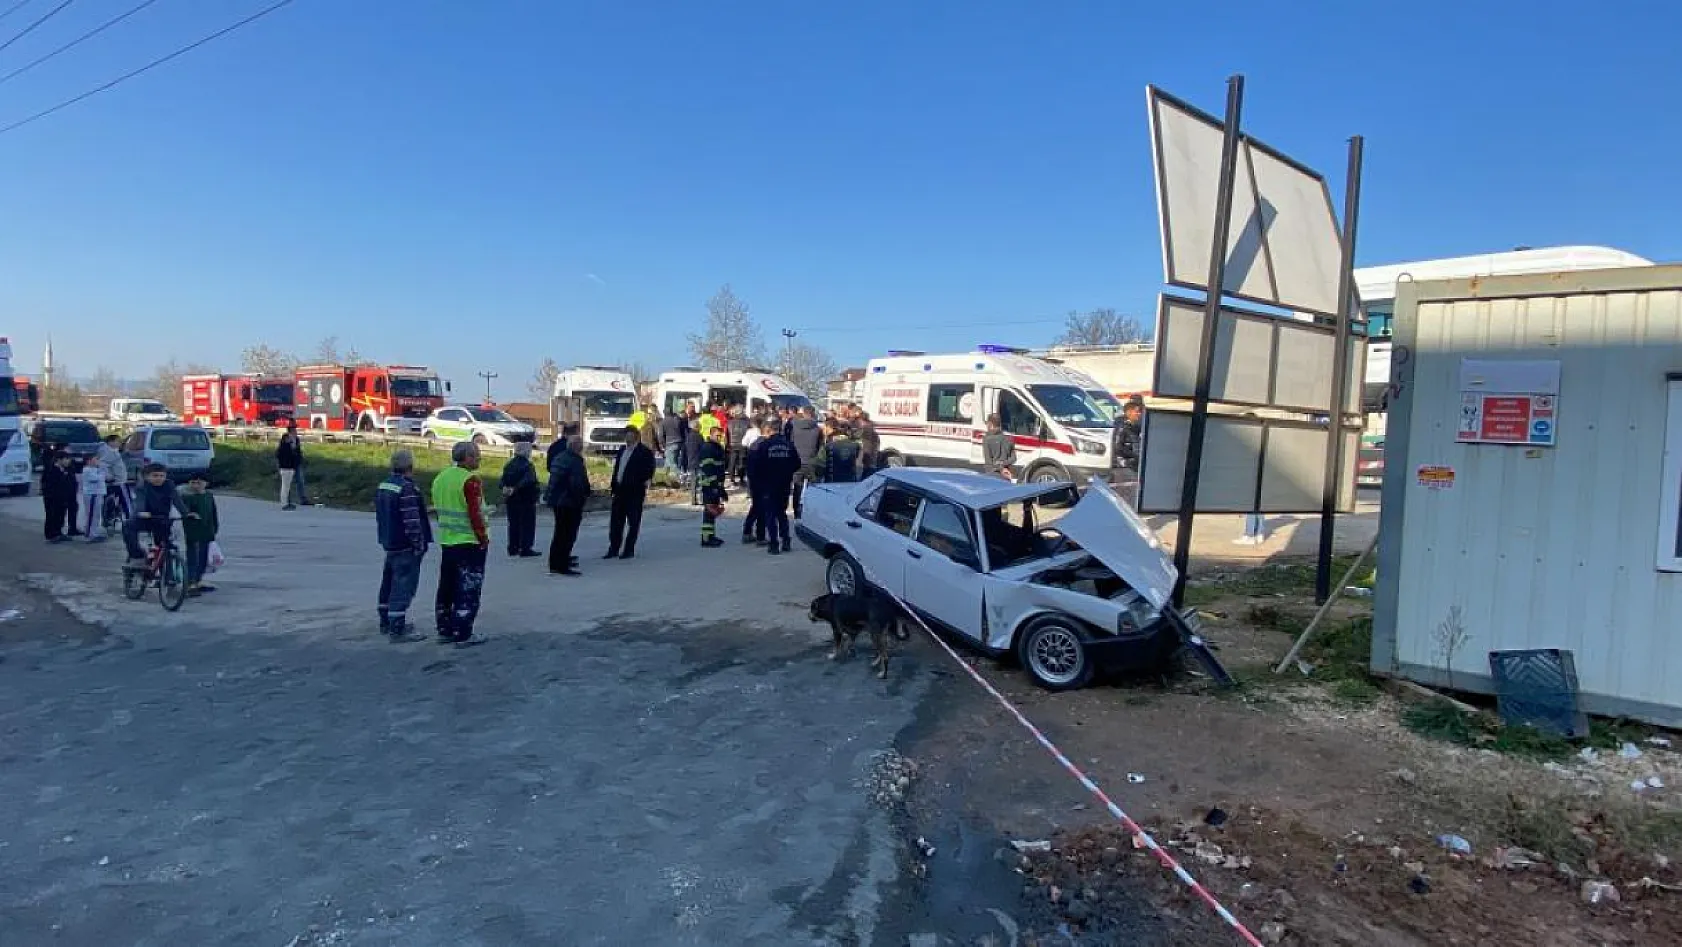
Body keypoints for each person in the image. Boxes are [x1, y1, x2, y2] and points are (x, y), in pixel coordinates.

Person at [430, 441, 491, 644]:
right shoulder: (470, 480)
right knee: (468, 588)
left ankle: (445, 628)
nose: (479, 459)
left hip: (448, 541)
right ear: (467, 458)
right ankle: (463, 632)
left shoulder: (441, 478)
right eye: (477, 455)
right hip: (469, 541)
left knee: (447, 587)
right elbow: (474, 513)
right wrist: (483, 539)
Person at [376, 449, 431, 639]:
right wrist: (418, 543)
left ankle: (385, 620)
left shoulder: (384, 485)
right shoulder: (406, 488)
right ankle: (397, 627)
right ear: (410, 466)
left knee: (389, 583)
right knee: (403, 585)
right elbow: (411, 520)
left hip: (389, 541)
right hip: (405, 544)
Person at [605, 422, 655, 559]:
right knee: (616, 522)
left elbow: (649, 470)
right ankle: (613, 548)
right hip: (619, 490)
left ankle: (628, 549)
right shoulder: (622, 450)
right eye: (625, 435)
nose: (627, 438)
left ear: (636, 436)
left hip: (634, 492)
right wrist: (613, 484)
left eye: (630, 435)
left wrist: (645, 483)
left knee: (633, 522)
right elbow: (617, 469)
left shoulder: (644, 452)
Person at [124, 463, 190, 568]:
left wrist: (186, 514)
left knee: (164, 546)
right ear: (147, 477)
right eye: (155, 475)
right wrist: (141, 511)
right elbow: (140, 501)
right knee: (128, 526)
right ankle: (136, 556)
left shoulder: (169, 485)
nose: (159, 478)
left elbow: (177, 500)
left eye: (162, 476)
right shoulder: (142, 487)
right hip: (145, 518)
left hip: (162, 519)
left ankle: (166, 573)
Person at [545, 434, 591, 576]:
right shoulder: (574, 461)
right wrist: (584, 495)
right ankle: (561, 564)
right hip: (569, 502)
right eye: (580, 444)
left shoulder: (560, 457)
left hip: (558, 501)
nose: (582, 447)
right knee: (567, 534)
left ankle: (556, 561)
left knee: (559, 533)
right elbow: (577, 484)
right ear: (575, 446)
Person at [755, 420, 802, 555]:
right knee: (781, 513)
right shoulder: (789, 445)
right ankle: (786, 540)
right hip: (784, 483)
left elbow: (757, 466)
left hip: (769, 484)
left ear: (769, 430)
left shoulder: (764, 445)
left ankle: (774, 544)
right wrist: (786, 472)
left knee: (770, 514)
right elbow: (797, 464)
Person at [180, 473, 220, 595]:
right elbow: (184, 512)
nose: (196, 485)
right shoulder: (187, 497)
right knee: (193, 557)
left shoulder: (208, 496)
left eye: (199, 482)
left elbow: (213, 513)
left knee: (203, 558)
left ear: (205, 483)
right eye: (193, 482)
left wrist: (215, 528)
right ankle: (190, 582)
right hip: (192, 532)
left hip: (206, 532)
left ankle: (198, 580)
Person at [500, 441, 541, 558]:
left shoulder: (509, 464)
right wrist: (517, 488)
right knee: (527, 523)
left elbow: (502, 479)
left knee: (513, 523)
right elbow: (529, 479)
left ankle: (513, 547)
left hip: (511, 498)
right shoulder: (528, 465)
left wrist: (505, 487)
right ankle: (525, 548)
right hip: (526, 497)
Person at [788, 405, 824, 518]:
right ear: (813, 414)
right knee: (811, 488)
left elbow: (791, 443)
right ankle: (808, 513)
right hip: (811, 462)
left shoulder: (795, 427)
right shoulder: (818, 429)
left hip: (797, 461)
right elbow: (820, 446)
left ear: (803, 413)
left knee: (797, 488)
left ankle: (796, 513)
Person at [697, 426, 728, 548]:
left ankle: (711, 536)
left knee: (712, 511)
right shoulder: (708, 448)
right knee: (709, 512)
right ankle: (706, 539)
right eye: (717, 436)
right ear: (711, 434)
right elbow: (708, 469)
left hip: (715, 483)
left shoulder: (717, 447)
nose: (720, 438)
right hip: (709, 484)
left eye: (721, 436)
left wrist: (720, 486)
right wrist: (716, 486)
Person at [810, 418, 861, 484]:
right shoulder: (856, 445)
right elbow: (859, 466)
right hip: (850, 482)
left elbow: (819, 468)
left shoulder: (827, 447)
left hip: (831, 483)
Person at [41, 450, 76, 543]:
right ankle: (51, 535)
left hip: (63, 498)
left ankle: (58, 532)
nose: (68, 461)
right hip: (52, 498)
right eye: (66, 459)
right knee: (52, 515)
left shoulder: (66, 470)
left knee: (60, 515)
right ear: (59, 460)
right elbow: (47, 485)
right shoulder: (51, 470)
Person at [96, 434, 131, 520]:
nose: (120, 443)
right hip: (118, 481)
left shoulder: (109, 451)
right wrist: (108, 476)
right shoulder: (109, 452)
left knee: (109, 502)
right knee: (127, 502)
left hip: (115, 481)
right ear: (111, 442)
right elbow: (102, 464)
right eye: (118, 441)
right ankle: (130, 520)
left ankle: (108, 519)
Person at [277, 421, 307, 509]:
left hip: (295, 464)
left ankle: (301, 499)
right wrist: (290, 446)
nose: (296, 431)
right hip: (287, 465)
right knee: (286, 485)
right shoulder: (286, 439)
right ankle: (286, 502)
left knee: (299, 481)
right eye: (294, 429)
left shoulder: (296, 439)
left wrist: (300, 458)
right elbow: (283, 453)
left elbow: (297, 451)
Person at [78, 454, 108, 542]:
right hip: (92, 495)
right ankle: (90, 534)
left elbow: (104, 477)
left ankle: (94, 532)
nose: (98, 461)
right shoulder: (86, 470)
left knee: (96, 515)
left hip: (98, 494)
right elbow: (96, 479)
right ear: (89, 461)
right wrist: (102, 473)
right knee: (91, 514)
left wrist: (102, 472)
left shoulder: (96, 469)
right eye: (96, 459)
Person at [982, 413, 1017, 481]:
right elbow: (1014, 458)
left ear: (990, 424)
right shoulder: (1009, 439)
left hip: (992, 477)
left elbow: (988, 464)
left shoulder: (987, 439)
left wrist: (1000, 469)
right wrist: (1003, 465)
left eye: (987, 424)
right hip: (1007, 475)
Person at [657, 407, 687, 487]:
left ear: (664, 413)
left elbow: (660, 436)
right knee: (668, 462)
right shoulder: (677, 420)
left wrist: (662, 445)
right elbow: (682, 431)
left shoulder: (662, 422)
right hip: (679, 442)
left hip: (670, 443)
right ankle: (664, 479)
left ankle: (682, 476)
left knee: (672, 463)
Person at [726, 405, 751, 486]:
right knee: (742, 462)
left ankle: (731, 479)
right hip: (742, 444)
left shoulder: (729, 422)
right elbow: (748, 434)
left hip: (732, 444)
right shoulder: (746, 422)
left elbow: (727, 434)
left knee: (732, 462)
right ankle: (741, 479)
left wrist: (728, 444)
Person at [854, 410, 880, 474]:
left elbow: (857, 435)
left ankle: (866, 477)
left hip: (868, 448)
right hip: (873, 447)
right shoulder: (871, 425)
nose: (858, 422)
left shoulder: (865, 427)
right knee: (871, 464)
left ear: (862, 420)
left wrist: (852, 434)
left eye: (859, 420)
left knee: (867, 464)